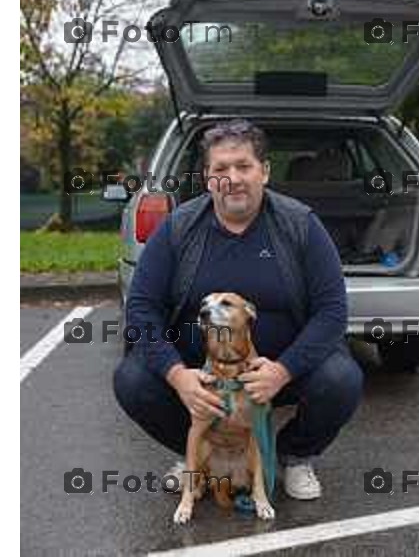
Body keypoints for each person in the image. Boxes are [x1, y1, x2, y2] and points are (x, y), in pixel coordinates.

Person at [113, 119, 364, 500]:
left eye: (243, 166)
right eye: (221, 169)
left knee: (341, 379)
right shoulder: (178, 229)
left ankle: (294, 456)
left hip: (279, 369)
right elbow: (143, 309)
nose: (233, 178)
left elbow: (331, 311)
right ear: (207, 177)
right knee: (133, 380)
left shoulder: (301, 225)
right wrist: (179, 377)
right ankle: (197, 453)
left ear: (264, 171)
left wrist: (283, 371)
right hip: (202, 374)